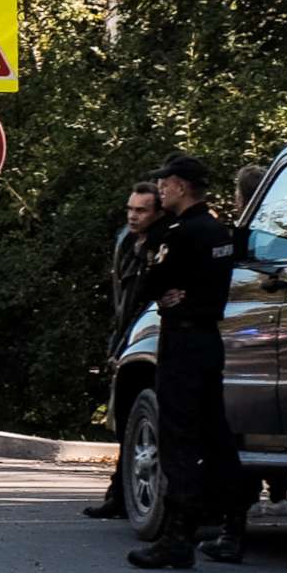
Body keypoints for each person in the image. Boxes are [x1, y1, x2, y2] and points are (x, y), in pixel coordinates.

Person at [126, 153, 245, 569]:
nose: (161, 188)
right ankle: (234, 526)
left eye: (166, 182)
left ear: (180, 186)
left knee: (178, 437)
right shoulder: (218, 231)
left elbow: (150, 283)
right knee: (215, 433)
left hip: (182, 341)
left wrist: (163, 290)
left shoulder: (180, 232)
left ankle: (178, 536)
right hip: (209, 339)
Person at [84, 181, 165, 520]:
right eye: (130, 209)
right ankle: (119, 491)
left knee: (147, 416)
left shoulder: (164, 243)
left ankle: (126, 492)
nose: (133, 216)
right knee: (127, 418)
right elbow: (122, 298)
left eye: (141, 210)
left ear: (157, 212)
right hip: (130, 334)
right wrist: (117, 341)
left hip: (153, 336)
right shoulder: (127, 242)